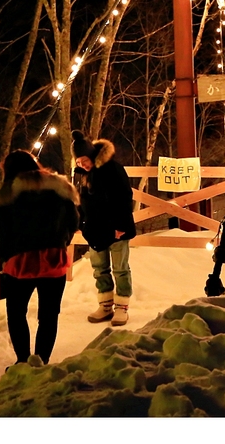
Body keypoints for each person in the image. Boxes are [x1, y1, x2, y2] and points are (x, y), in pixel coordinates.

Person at [0, 150, 80, 366]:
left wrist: (4, 253)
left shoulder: (4, 194)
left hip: (19, 263)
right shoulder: (59, 188)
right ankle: (42, 360)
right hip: (53, 259)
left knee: (16, 313)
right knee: (49, 314)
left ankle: (22, 360)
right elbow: (73, 222)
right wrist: (60, 241)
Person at [71, 130, 136, 326]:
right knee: (99, 269)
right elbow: (80, 202)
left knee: (120, 269)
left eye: (84, 160)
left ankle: (122, 307)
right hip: (95, 230)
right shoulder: (82, 176)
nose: (82, 164)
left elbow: (125, 198)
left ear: (91, 155)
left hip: (117, 228)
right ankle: (105, 305)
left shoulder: (112, 169)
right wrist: (80, 224)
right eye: (78, 162)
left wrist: (120, 226)